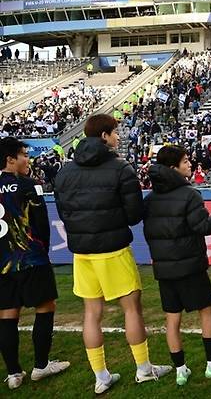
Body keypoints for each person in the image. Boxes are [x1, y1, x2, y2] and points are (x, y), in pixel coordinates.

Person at [54, 114, 172, 394]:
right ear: (104, 136)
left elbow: (63, 213)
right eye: (115, 132)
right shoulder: (120, 168)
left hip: (82, 253)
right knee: (131, 309)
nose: (118, 137)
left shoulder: (64, 171)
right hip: (113, 248)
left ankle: (101, 376)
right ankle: (143, 369)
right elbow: (133, 215)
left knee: (91, 313)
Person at [143, 145, 211, 386]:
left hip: (165, 269)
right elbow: (205, 227)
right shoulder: (189, 194)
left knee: (172, 318)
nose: (190, 165)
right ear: (172, 168)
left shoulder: (150, 198)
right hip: (190, 266)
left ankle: (180, 370)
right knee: (206, 311)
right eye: (185, 161)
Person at [0, 138, 70, 390]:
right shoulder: (30, 185)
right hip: (31, 257)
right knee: (45, 307)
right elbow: (41, 223)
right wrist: (43, 251)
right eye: (23, 155)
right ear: (10, 159)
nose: (26, 159)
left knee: (7, 314)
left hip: (2, 264)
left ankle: (14, 374)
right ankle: (41, 365)